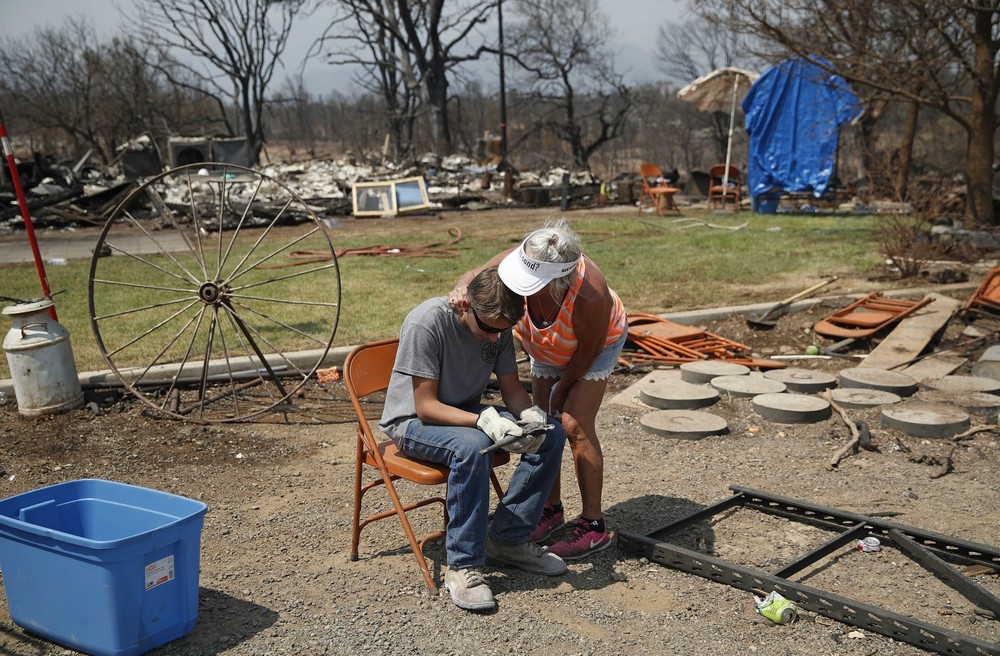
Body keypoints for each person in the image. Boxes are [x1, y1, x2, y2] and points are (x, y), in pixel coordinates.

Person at [379, 266, 568, 612]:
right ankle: (463, 565)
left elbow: (511, 389)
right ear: (465, 306)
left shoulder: (496, 325)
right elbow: (425, 407)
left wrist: (530, 417)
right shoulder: (427, 322)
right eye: (489, 330)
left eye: (503, 331)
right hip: (413, 421)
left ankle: (508, 539)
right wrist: (483, 419)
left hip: (462, 412)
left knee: (551, 435)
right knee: (473, 447)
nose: (496, 339)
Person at [449, 219, 627, 561]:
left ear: (559, 279)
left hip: (592, 348)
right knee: (544, 426)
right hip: (546, 345)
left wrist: (562, 388)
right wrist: (460, 287)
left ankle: (593, 526)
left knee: (573, 424)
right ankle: (551, 509)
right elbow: (475, 274)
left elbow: (587, 352)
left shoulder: (590, 292)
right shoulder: (523, 257)